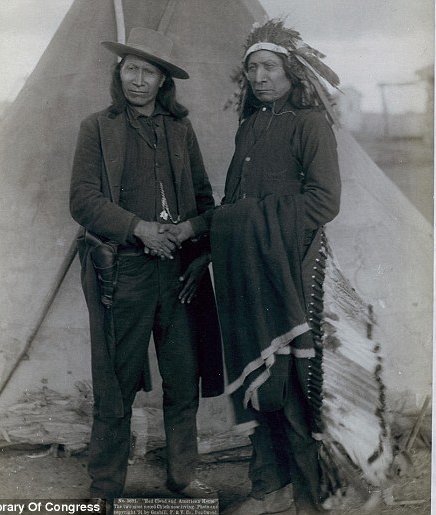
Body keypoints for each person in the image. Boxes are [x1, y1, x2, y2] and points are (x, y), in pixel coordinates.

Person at [69, 27, 223, 503]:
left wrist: (189, 235)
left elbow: (204, 200)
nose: (138, 80)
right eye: (131, 69)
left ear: (162, 82)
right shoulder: (97, 128)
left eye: (148, 72)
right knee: (115, 384)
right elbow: (83, 200)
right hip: (124, 274)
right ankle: (105, 489)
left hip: (177, 276)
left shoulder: (180, 130)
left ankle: (182, 477)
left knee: (183, 379)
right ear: (120, 74)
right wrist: (139, 228)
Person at [210, 19, 342, 515]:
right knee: (258, 379)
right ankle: (268, 487)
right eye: (252, 69)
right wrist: (220, 232)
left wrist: (256, 225)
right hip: (246, 263)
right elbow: (232, 200)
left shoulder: (309, 124)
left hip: (291, 265)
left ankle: (308, 496)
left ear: (291, 71)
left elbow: (324, 201)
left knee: (290, 378)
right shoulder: (249, 127)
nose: (260, 77)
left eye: (269, 66)